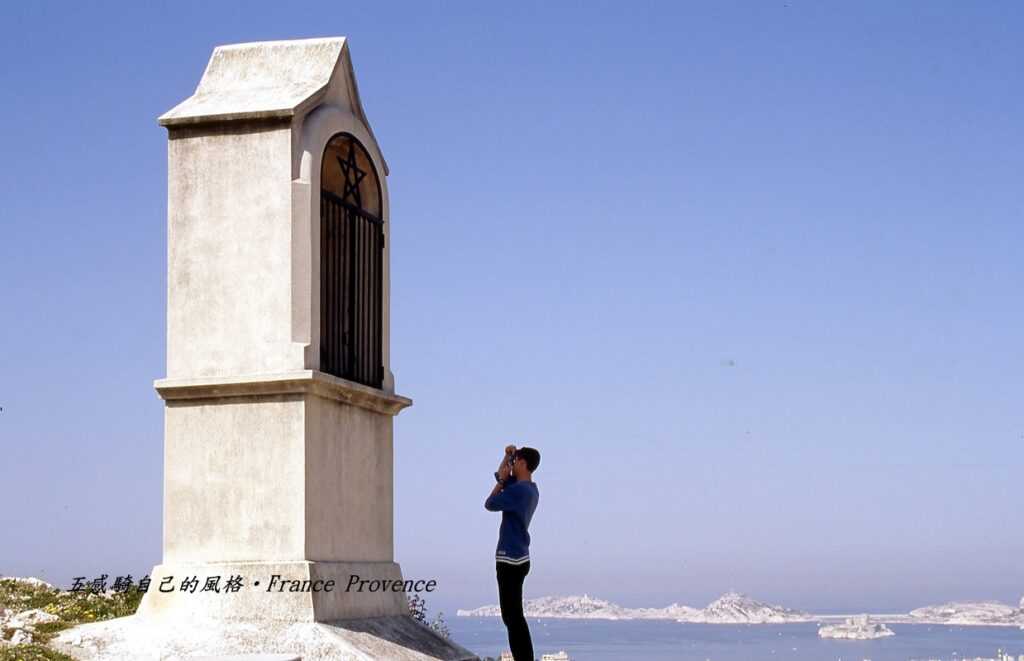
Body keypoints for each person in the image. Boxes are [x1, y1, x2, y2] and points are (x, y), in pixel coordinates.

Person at [484, 444, 541, 661]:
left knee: (512, 617)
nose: (512, 465)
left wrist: (500, 483)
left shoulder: (517, 491)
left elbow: (489, 503)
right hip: (521, 557)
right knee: (514, 616)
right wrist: (507, 456)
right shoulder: (530, 489)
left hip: (509, 559)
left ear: (523, 463)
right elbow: (502, 475)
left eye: (515, 461)